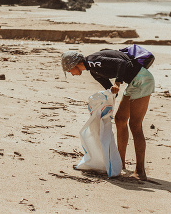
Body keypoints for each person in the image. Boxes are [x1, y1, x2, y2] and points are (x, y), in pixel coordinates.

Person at [61, 49, 155, 180]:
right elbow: (110, 91)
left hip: (142, 80)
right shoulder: (93, 71)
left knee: (135, 125)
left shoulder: (93, 61)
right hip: (133, 82)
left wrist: (118, 82)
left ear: (73, 65)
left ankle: (140, 171)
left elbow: (122, 63)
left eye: (68, 71)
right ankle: (120, 163)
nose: (71, 74)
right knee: (120, 119)